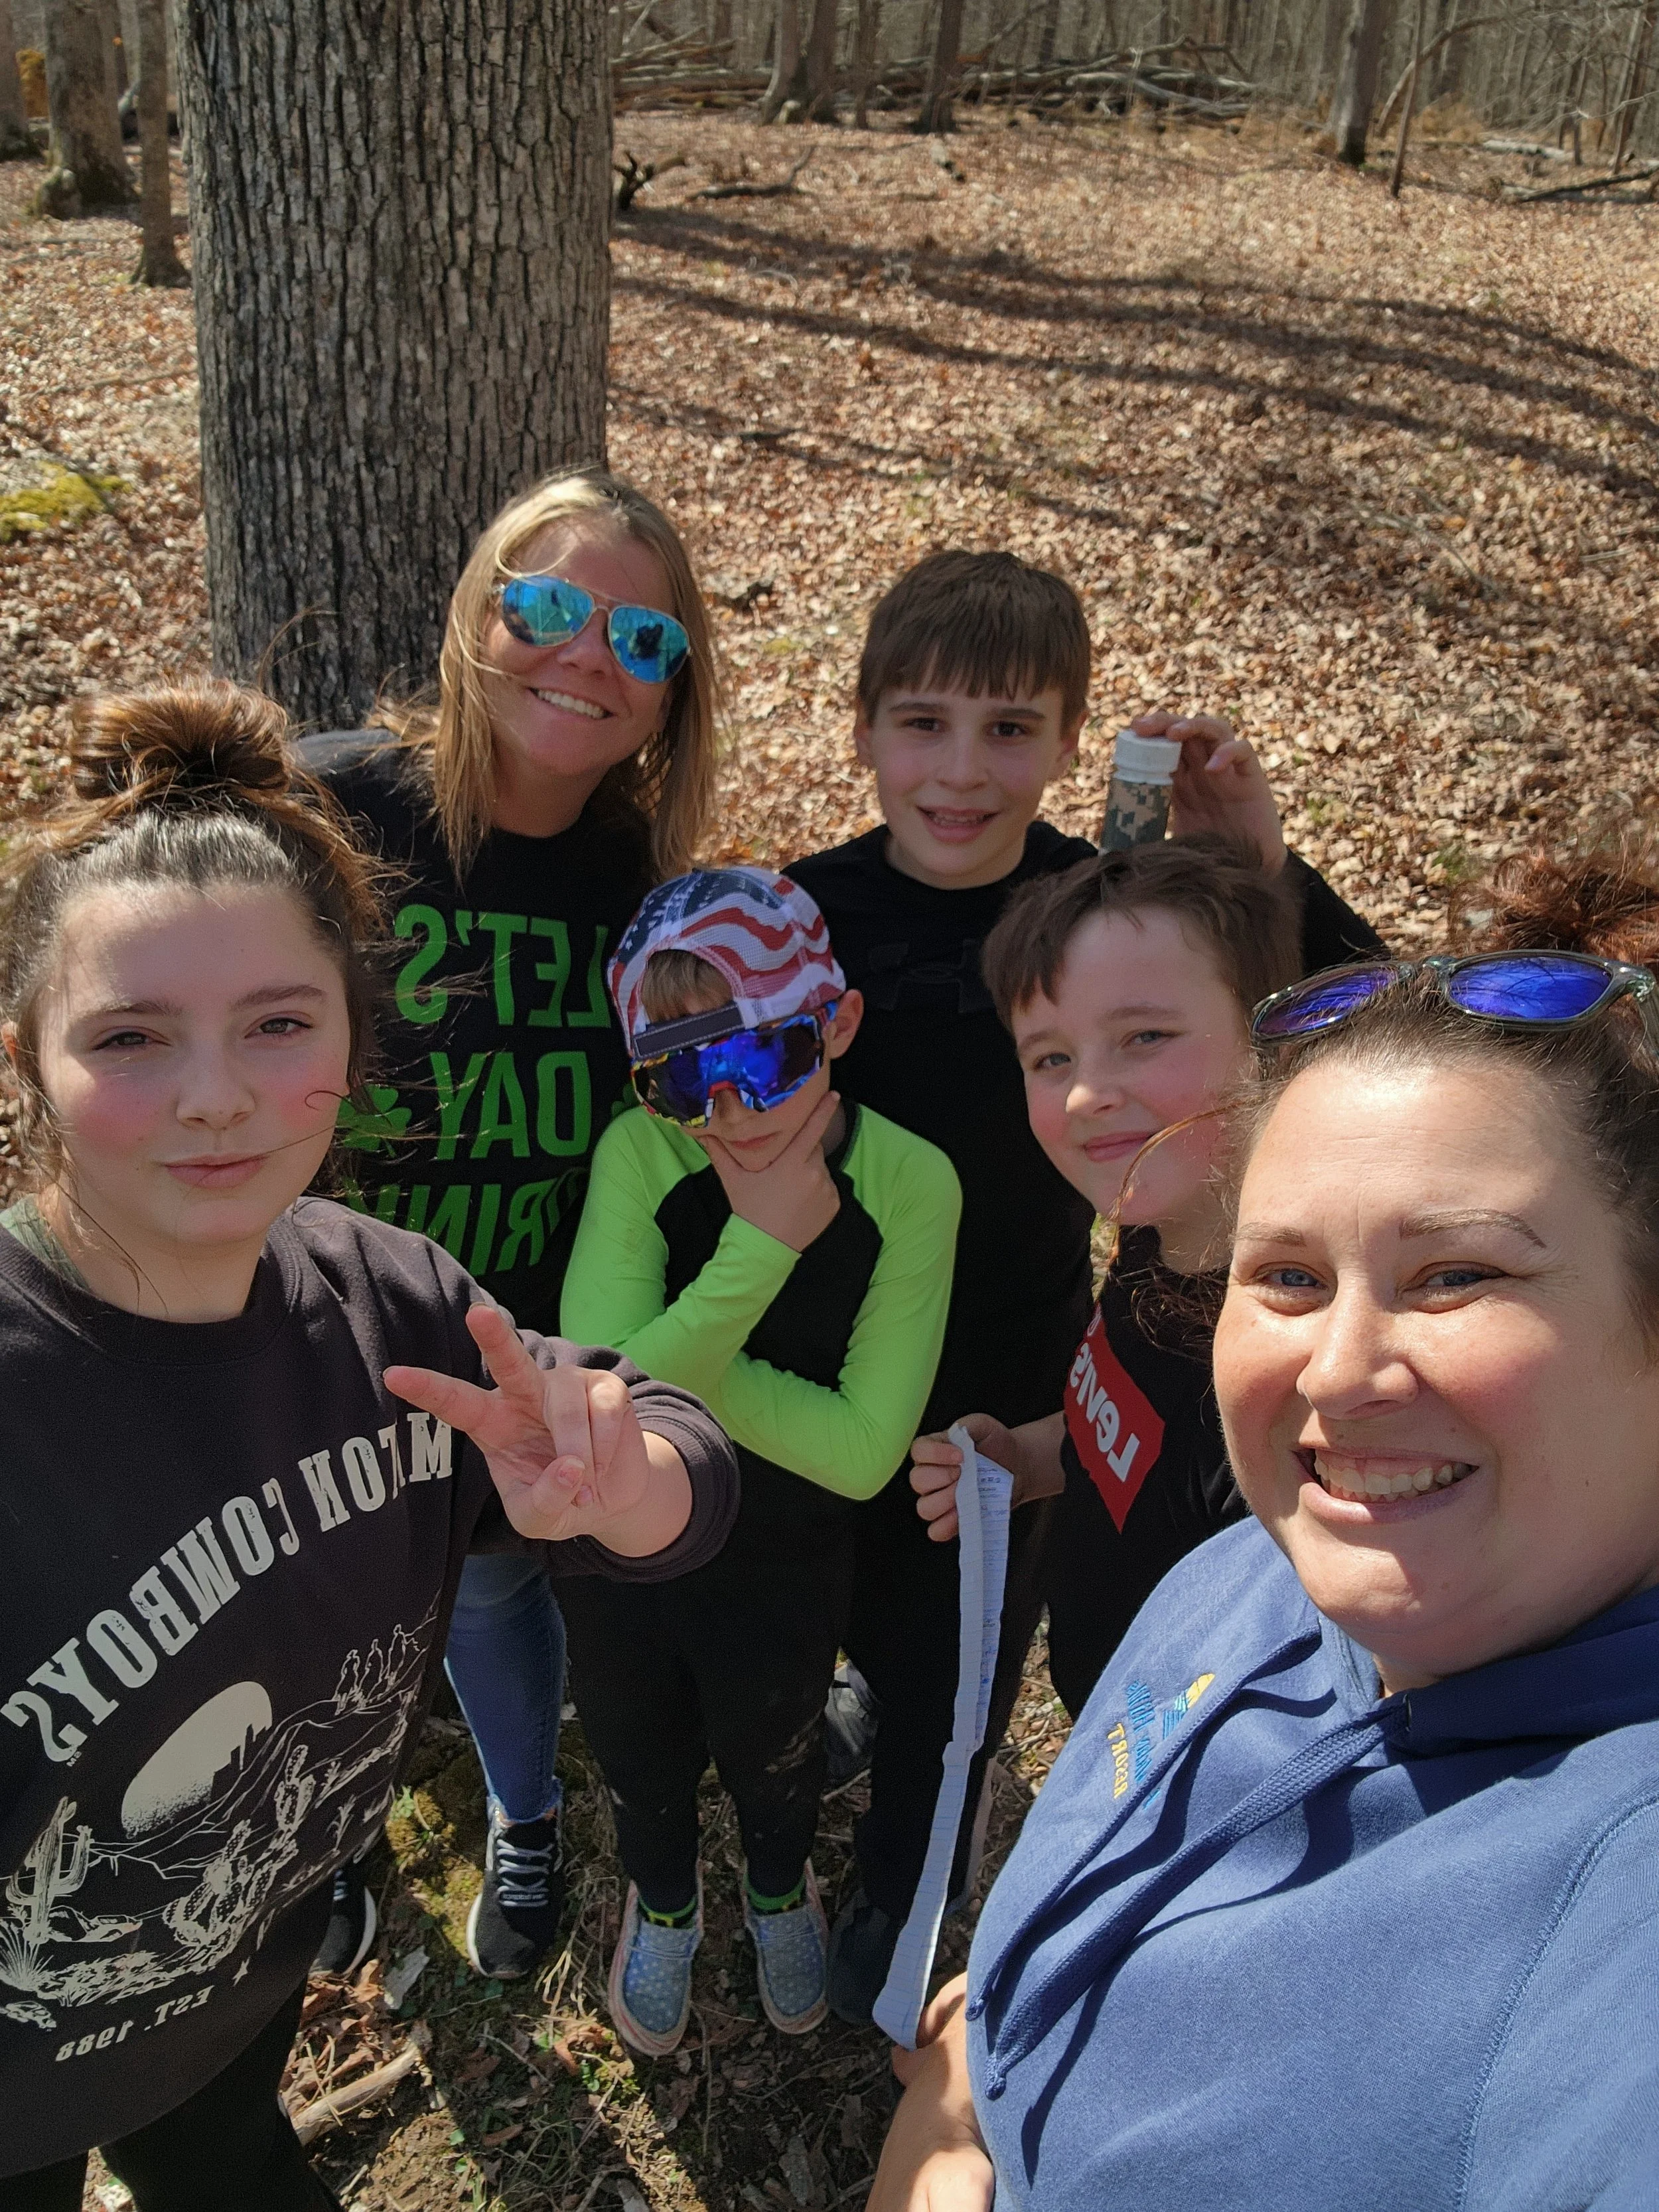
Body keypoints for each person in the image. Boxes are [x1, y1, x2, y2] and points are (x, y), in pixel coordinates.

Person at [0, 684, 737, 2209]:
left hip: (228, 2017)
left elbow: (668, 1460)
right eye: (132, 1036)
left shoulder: (382, 1294)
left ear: (354, 1030)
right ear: (28, 1061)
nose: (217, 1096)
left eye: (279, 1024)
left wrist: (623, 1477)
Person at [870, 847, 1659, 2211]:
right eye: (1285, 1273)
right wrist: (986, 2031)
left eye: (1456, 1272)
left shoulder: (1611, 1913)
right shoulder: (1257, 1569)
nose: (1337, 1372)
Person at [786, 548, 1380, 2020]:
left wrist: (1261, 858)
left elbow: (1343, 1019)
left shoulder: (1098, 904)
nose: (960, 769)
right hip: (822, 1356)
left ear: (1068, 742)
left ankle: (907, 1869)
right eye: (920, 723)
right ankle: (858, 1703)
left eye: (1010, 730)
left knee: (961, 1666)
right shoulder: (801, 914)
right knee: (847, 1601)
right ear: (860, 731)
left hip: (1022, 1356)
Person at [299, 469, 721, 1981]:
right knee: (321, 1598)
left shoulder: (641, 893)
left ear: (673, 695)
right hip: (308, 1324)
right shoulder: (327, 802)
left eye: (642, 640)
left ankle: (523, 1808)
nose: (585, 654)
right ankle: (311, 1840)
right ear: (477, 614)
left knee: (484, 1582)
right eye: (545, 606)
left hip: (512, 1345)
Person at [560, 867, 960, 2055]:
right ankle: (668, 1900)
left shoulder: (908, 1183)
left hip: (785, 1555)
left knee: (778, 1743)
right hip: (617, 1558)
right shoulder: (641, 1153)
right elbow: (597, 1408)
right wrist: (762, 1247)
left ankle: (780, 1886)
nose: (729, 1113)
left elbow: (859, 1455)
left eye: (762, 1060)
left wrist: (664, 1361)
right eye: (681, 1077)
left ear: (835, 1022)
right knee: (637, 1752)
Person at [912, 834, 1382, 1718]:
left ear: (1274, 1040)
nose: (1087, 1094)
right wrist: (1031, 1458)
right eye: (1052, 1058)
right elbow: (1138, 1440)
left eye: (1145, 1037)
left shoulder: (1297, 1388)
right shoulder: (1154, 1226)